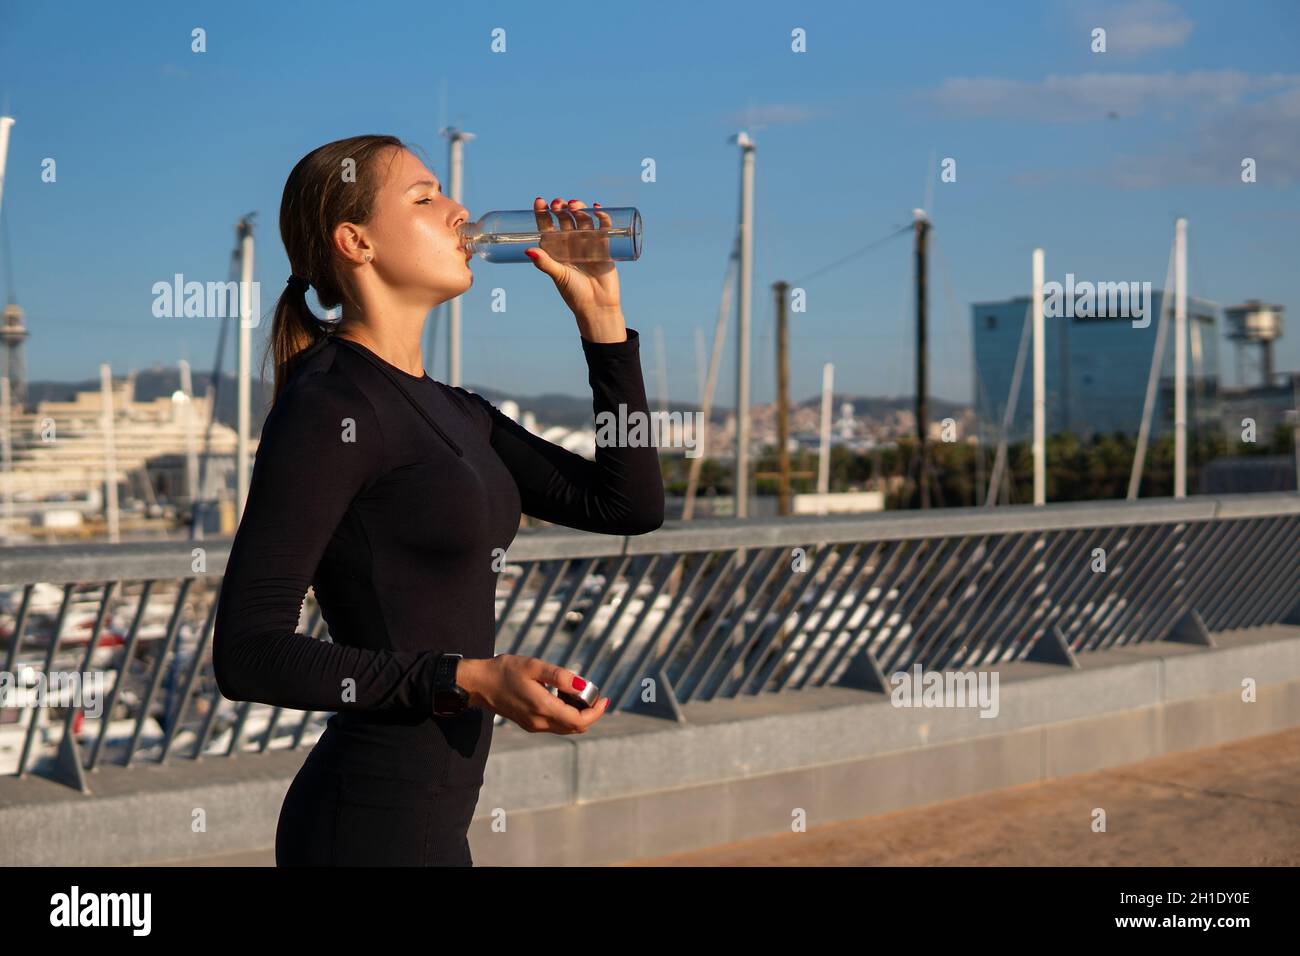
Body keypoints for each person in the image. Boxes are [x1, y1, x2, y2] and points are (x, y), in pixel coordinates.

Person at [211, 134, 664, 866]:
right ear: (355, 242)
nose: (460, 212)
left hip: (428, 823)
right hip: (365, 826)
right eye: (425, 198)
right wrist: (472, 677)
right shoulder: (329, 406)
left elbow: (628, 506)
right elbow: (248, 654)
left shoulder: (459, 411)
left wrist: (602, 323)